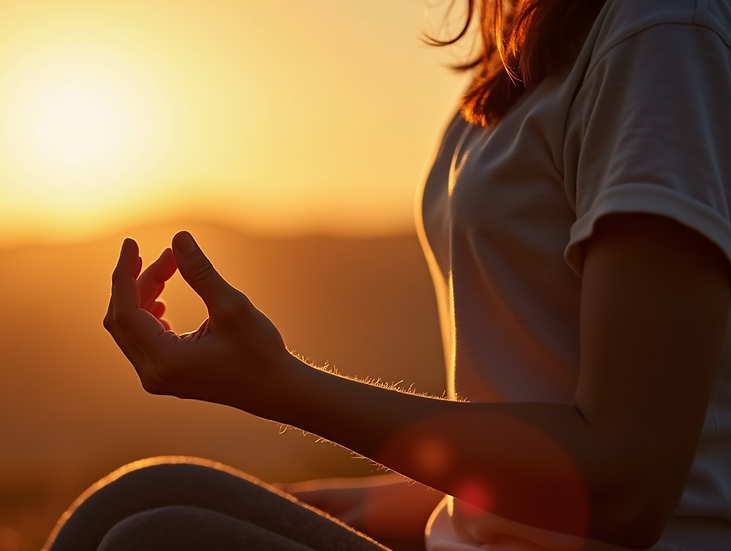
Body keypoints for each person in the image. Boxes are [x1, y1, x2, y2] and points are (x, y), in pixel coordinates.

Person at [47, 0, 731, 549]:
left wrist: (278, 384)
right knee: (138, 498)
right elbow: (535, 410)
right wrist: (368, 501)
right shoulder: (522, 45)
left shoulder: (662, 35)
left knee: (158, 537)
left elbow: (629, 484)